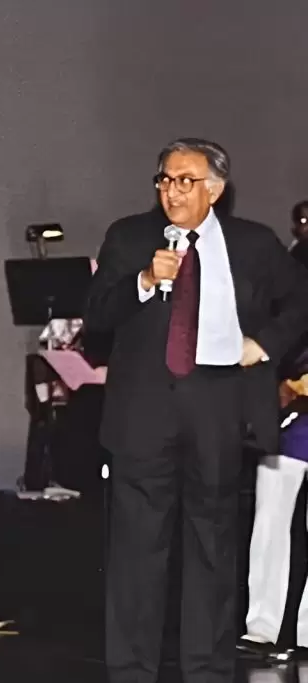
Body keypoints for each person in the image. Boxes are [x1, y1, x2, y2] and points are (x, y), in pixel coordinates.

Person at [86, 138, 308, 683]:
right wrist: (143, 282)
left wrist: (265, 345)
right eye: (165, 179)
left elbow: (301, 299)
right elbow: (96, 317)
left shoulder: (253, 243)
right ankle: (131, 671)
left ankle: (207, 670)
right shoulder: (128, 237)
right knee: (137, 552)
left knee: (212, 547)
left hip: (217, 407)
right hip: (144, 413)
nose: (173, 191)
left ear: (215, 188)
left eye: (186, 180)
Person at [241, 201, 308, 656]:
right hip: (291, 407)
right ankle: (262, 625)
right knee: (269, 518)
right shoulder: (290, 265)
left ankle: (298, 630)